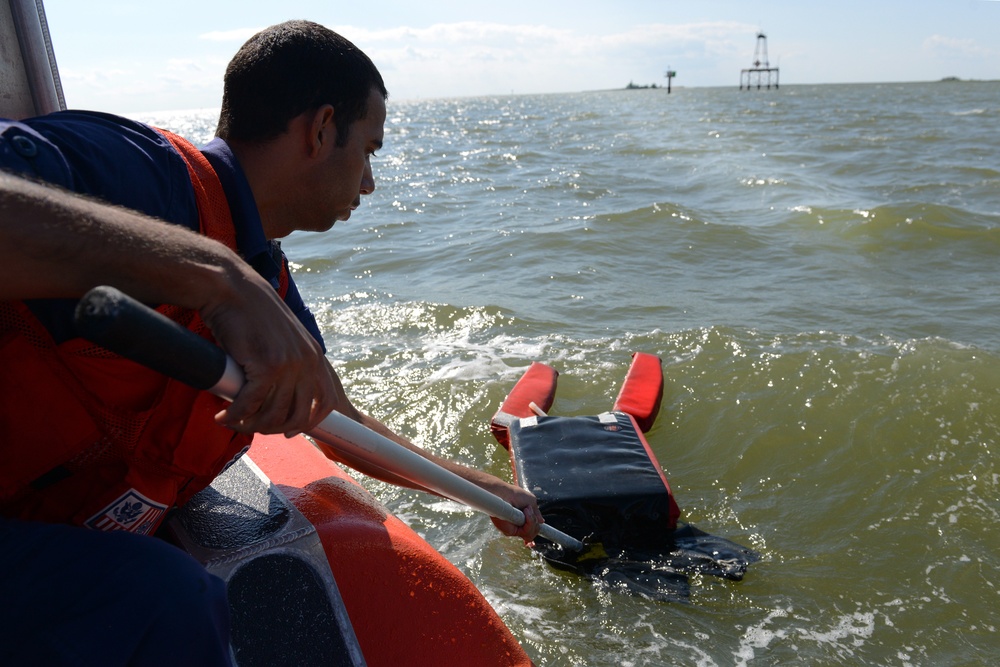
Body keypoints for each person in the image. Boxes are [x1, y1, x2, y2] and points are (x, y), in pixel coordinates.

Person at [0, 19, 541, 665]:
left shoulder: (264, 278)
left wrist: (479, 487)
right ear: (320, 129)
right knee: (157, 597)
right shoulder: (135, 172)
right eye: (369, 149)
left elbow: (335, 420)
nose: (369, 182)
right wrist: (214, 276)